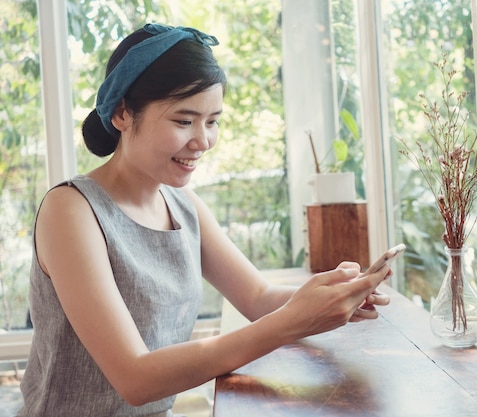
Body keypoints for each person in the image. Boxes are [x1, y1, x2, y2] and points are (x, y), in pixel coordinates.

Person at [16, 23, 392, 417]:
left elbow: (259, 299)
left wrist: (333, 293)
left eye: (212, 121)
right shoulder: (72, 210)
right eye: (184, 121)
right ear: (123, 113)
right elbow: (135, 378)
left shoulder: (184, 206)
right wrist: (292, 322)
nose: (203, 140)